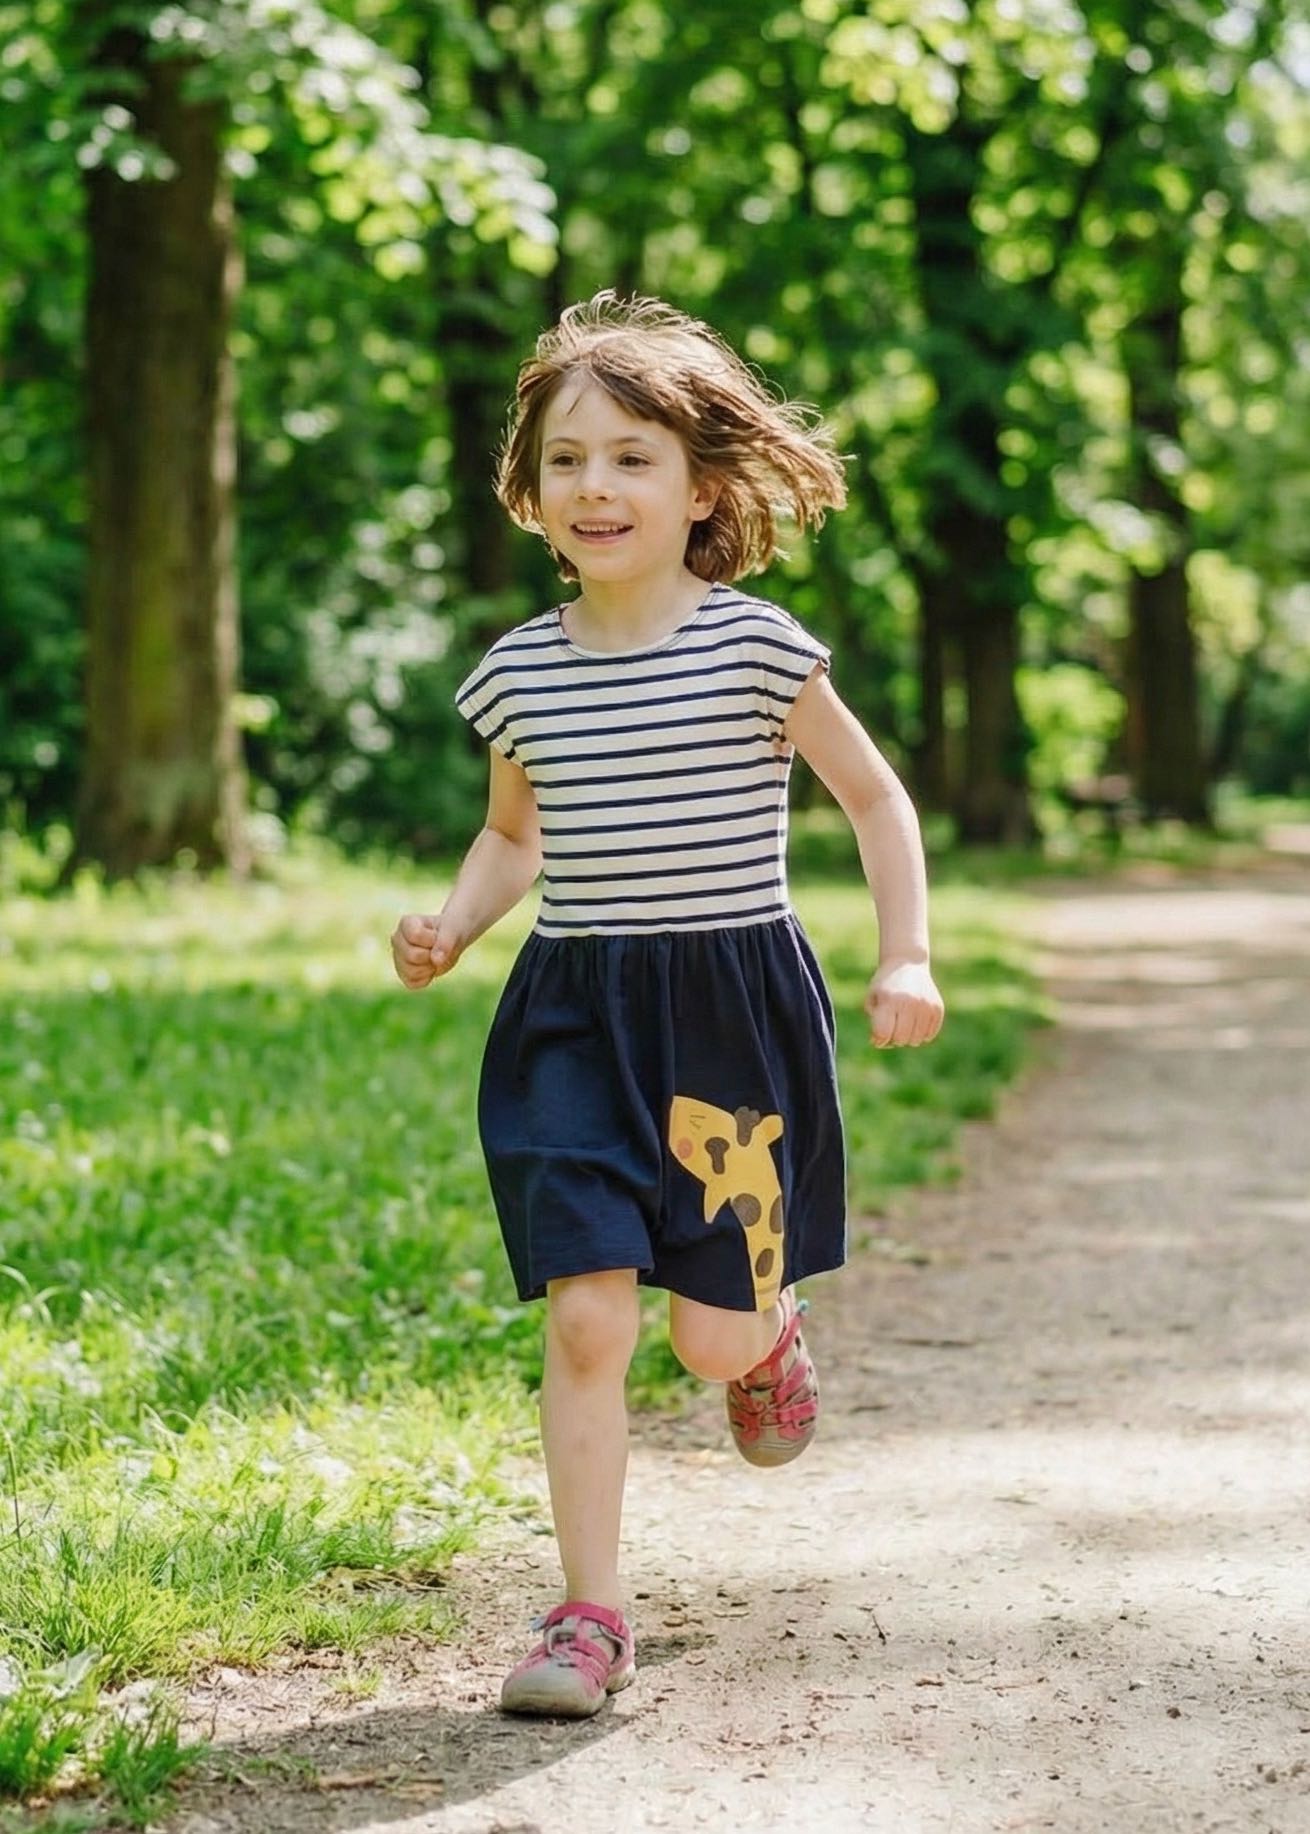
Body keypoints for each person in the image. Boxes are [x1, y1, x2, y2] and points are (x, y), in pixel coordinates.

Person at [390, 291, 944, 1720]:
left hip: (727, 1011)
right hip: (574, 1013)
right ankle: (588, 1613)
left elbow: (875, 799)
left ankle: (762, 1333)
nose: (596, 484)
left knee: (704, 1337)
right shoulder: (518, 672)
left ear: (699, 484)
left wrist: (907, 954)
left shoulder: (755, 645)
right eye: (566, 458)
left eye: (632, 456)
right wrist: (453, 922)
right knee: (584, 1316)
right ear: (528, 489)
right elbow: (515, 836)